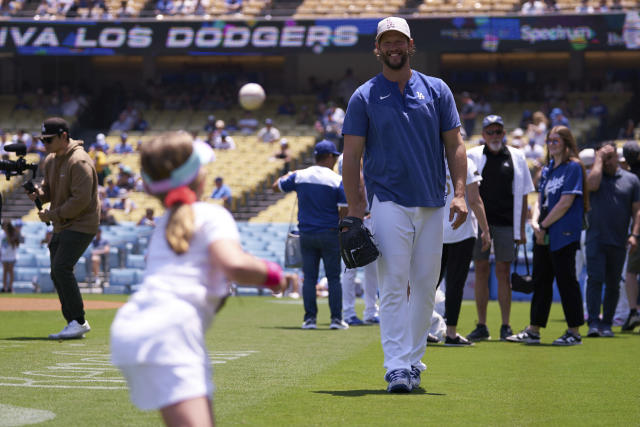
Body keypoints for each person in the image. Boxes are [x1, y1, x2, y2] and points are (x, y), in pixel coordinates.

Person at [111, 131, 286, 427]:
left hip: (135, 325)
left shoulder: (163, 224)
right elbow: (234, 265)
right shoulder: (210, 215)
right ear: (196, 176)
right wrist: (275, 275)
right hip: (171, 330)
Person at [341, 17, 468, 393]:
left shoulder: (438, 89)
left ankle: (413, 362)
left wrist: (459, 192)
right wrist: (354, 208)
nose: (393, 48)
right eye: (386, 42)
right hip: (387, 200)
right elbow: (351, 156)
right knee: (394, 282)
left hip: (432, 201)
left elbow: (455, 144)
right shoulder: (363, 96)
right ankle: (396, 365)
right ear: (377, 49)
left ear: (410, 45)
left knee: (426, 286)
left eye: (400, 41)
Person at [506, 126, 588, 345]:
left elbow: (566, 202)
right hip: (544, 232)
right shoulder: (549, 168)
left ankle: (574, 332)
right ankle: (534, 330)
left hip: (564, 233)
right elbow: (541, 200)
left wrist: (542, 224)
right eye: (549, 141)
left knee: (566, 281)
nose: (552, 144)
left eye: (556, 140)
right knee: (541, 281)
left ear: (567, 143)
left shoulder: (573, 168)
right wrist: (535, 223)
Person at [26, 117, 100, 339]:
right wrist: (38, 194)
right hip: (63, 223)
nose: (45, 144)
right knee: (57, 271)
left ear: (63, 136)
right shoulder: (51, 159)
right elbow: (49, 191)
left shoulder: (79, 161)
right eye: (42, 140)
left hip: (81, 223)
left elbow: (80, 201)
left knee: (61, 268)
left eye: (49, 140)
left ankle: (77, 320)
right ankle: (74, 322)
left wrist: (52, 214)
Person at [466, 115, 535, 342]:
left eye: (498, 132)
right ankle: (482, 325)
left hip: (507, 222)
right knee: (482, 270)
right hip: (480, 223)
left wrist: (522, 229)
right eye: (490, 132)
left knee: (503, 273)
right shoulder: (473, 155)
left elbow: (524, 193)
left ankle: (506, 325)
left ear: (504, 133)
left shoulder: (517, 156)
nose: (495, 136)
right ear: (484, 135)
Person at [273, 140, 349, 330]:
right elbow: (344, 209)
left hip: (306, 233)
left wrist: (289, 174)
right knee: (333, 278)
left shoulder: (300, 176)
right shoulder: (336, 179)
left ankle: (309, 319)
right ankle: (336, 320)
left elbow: (276, 186)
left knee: (309, 278)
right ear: (330, 156)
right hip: (330, 233)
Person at [585, 141, 640, 337]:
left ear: (617, 156)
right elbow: (591, 185)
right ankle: (593, 322)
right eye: (604, 157)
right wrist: (598, 159)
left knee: (613, 283)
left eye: (611, 156)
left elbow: (637, 211)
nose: (608, 161)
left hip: (619, 239)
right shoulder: (593, 176)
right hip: (595, 238)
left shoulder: (631, 180)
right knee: (595, 280)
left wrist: (634, 235)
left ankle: (607, 322)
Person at [439, 156, 491, 346]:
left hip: (434, 230)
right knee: (455, 285)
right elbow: (475, 200)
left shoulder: (429, 157)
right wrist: (486, 230)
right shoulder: (465, 162)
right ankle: (451, 333)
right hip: (460, 231)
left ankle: (420, 330)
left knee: (426, 285)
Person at [622, 141, 640, 331]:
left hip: (637, 231)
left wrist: (634, 233)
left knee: (631, 273)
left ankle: (633, 312)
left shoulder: (630, 177)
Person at [1, 221, 20, 293]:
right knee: (5, 271)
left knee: (10, 271)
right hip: (4, 255)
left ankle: (10, 287)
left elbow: (16, 244)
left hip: (12, 255)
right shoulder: (1, 234)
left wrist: (9, 235)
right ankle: (4, 287)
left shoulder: (13, 234)